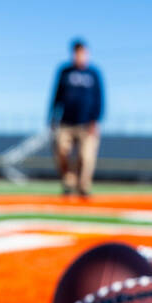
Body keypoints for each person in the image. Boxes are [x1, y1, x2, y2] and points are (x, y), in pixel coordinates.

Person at [49, 40, 105, 198]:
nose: (79, 56)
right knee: (61, 150)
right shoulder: (65, 72)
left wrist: (96, 120)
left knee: (86, 156)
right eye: (76, 53)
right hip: (66, 122)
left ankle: (83, 187)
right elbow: (56, 95)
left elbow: (100, 98)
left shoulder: (93, 74)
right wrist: (52, 117)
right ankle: (68, 182)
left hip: (87, 123)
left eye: (82, 53)